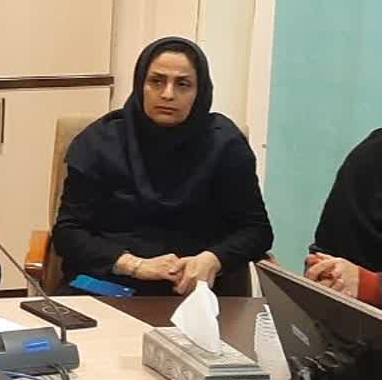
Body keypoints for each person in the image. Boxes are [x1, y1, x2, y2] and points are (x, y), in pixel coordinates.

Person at [52, 38, 272, 297]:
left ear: (200, 91)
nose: (168, 94)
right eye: (156, 81)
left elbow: (256, 231)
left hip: (194, 292)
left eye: (183, 84)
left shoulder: (224, 144)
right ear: (140, 85)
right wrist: (134, 265)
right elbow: (68, 232)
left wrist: (212, 259)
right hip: (109, 284)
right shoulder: (100, 142)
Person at [303, 44, 382, 328]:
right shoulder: (369, 159)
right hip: (346, 335)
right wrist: (324, 273)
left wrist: (373, 286)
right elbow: (325, 248)